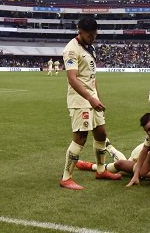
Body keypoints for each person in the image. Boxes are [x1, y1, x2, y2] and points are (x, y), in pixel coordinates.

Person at [59, 16, 124, 190]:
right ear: (80, 32)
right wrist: (90, 98)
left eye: (94, 35)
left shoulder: (90, 47)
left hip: (91, 98)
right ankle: (66, 178)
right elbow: (72, 79)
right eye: (89, 36)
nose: (92, 38)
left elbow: (92, 78)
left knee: (101, 133)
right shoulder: (71, 50)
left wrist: (97, 97)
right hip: (80, 100)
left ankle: (101, 170)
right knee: (80, 137)